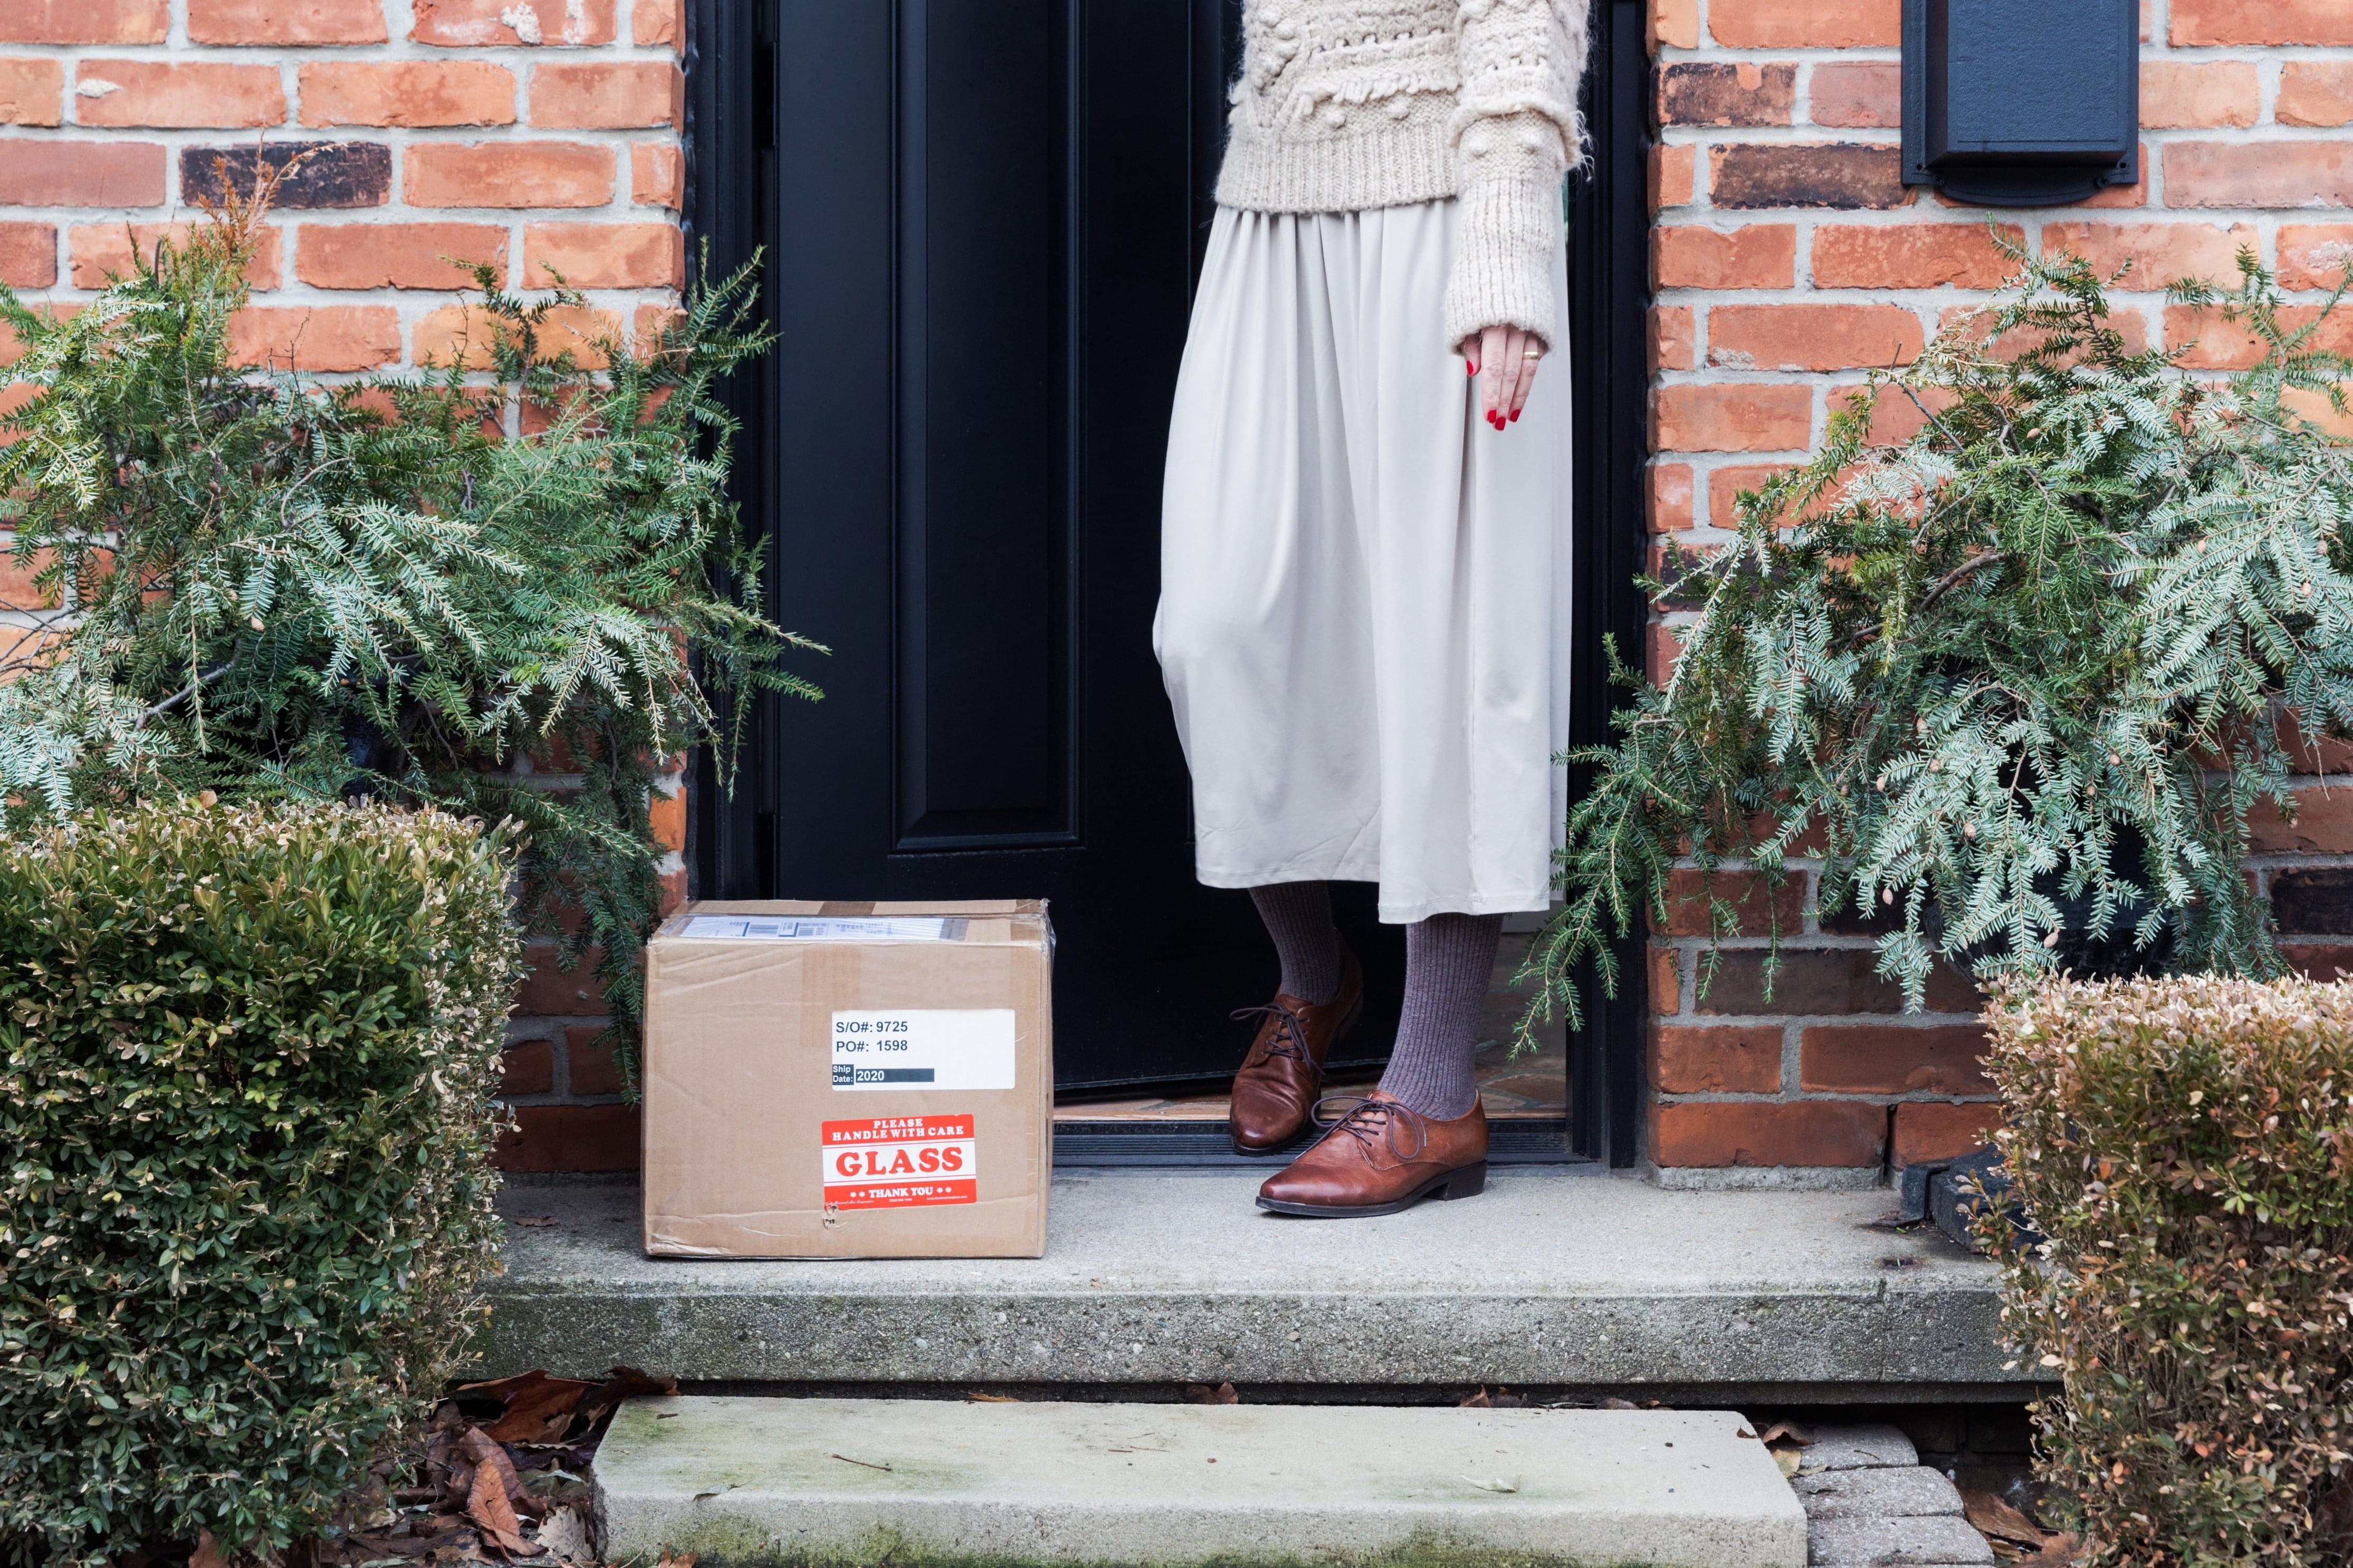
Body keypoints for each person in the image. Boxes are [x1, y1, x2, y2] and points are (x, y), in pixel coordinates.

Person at [1154, 0, 1589, 1217]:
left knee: (1451, 639)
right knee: (1216, 624)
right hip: (1271, 212)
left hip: (1444, 215)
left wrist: (1506, 247)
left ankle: (1433, 1083)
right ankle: (1315, 977)